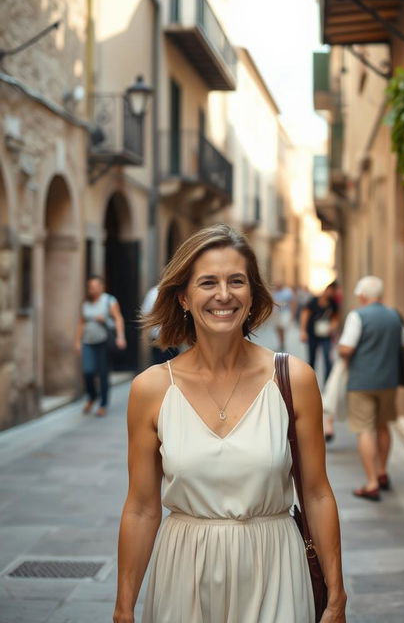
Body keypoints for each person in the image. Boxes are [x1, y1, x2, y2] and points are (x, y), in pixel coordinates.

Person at [113, 224, 346, 623]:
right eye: (208, 282)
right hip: (182, 573)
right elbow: (140, 507)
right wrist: (124, 606)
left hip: (276, 567)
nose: (224, 294)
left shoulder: (294, 379)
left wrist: (337, 594)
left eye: (236, 281)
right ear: (184, 297)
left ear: (252, 295)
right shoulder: (151, 389)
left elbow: (317, 493)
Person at [337, 276, 404, 502]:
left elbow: (346, 349)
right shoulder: (394, 315)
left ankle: (371, 483)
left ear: (362, 295)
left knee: (364, 430)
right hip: (388, 381)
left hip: (362, 382)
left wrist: (342, 349)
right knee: (383, 426)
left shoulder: (357, 316)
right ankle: (382, 473)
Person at [74, 275, 126, 417]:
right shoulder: (85, 303)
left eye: (95, 287)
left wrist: (120, 336)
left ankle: (103, 404)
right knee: (88, 371)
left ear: (102, 287)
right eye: (90, 287)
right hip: (88, 342)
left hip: (104, 342)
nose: (92, 290)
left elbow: (118, 318)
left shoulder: (109, 301)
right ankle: (92, 396)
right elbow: (81, 322)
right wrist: (78, 341)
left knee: (103, 374)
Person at [299, 283, 339, 384]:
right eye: (330, 290)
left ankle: (328, 384)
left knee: (327, 359)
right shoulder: (313, 301)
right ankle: (310, 383)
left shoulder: (333, 303)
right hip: (312, 334)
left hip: (326, 335)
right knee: (311, 359)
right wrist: (303, 331)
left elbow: (335, 318)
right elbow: (305, 314)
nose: (331, 293)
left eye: (333, 292)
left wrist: (333, 327)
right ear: (326, 290)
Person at [140, 284, 179, 365]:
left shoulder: (174, 291)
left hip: (173, 337)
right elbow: (146, 316)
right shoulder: (153, 293)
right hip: (159, 337)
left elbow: (145, 315)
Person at [272, 281, 295, 352]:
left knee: (283, 329)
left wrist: (292, 314)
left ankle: (283, 344)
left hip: (285, 313)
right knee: (278, 329)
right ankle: (281, 343)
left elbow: (293, 303)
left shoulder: (288, 292)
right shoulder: (274, 292)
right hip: (276, 313)